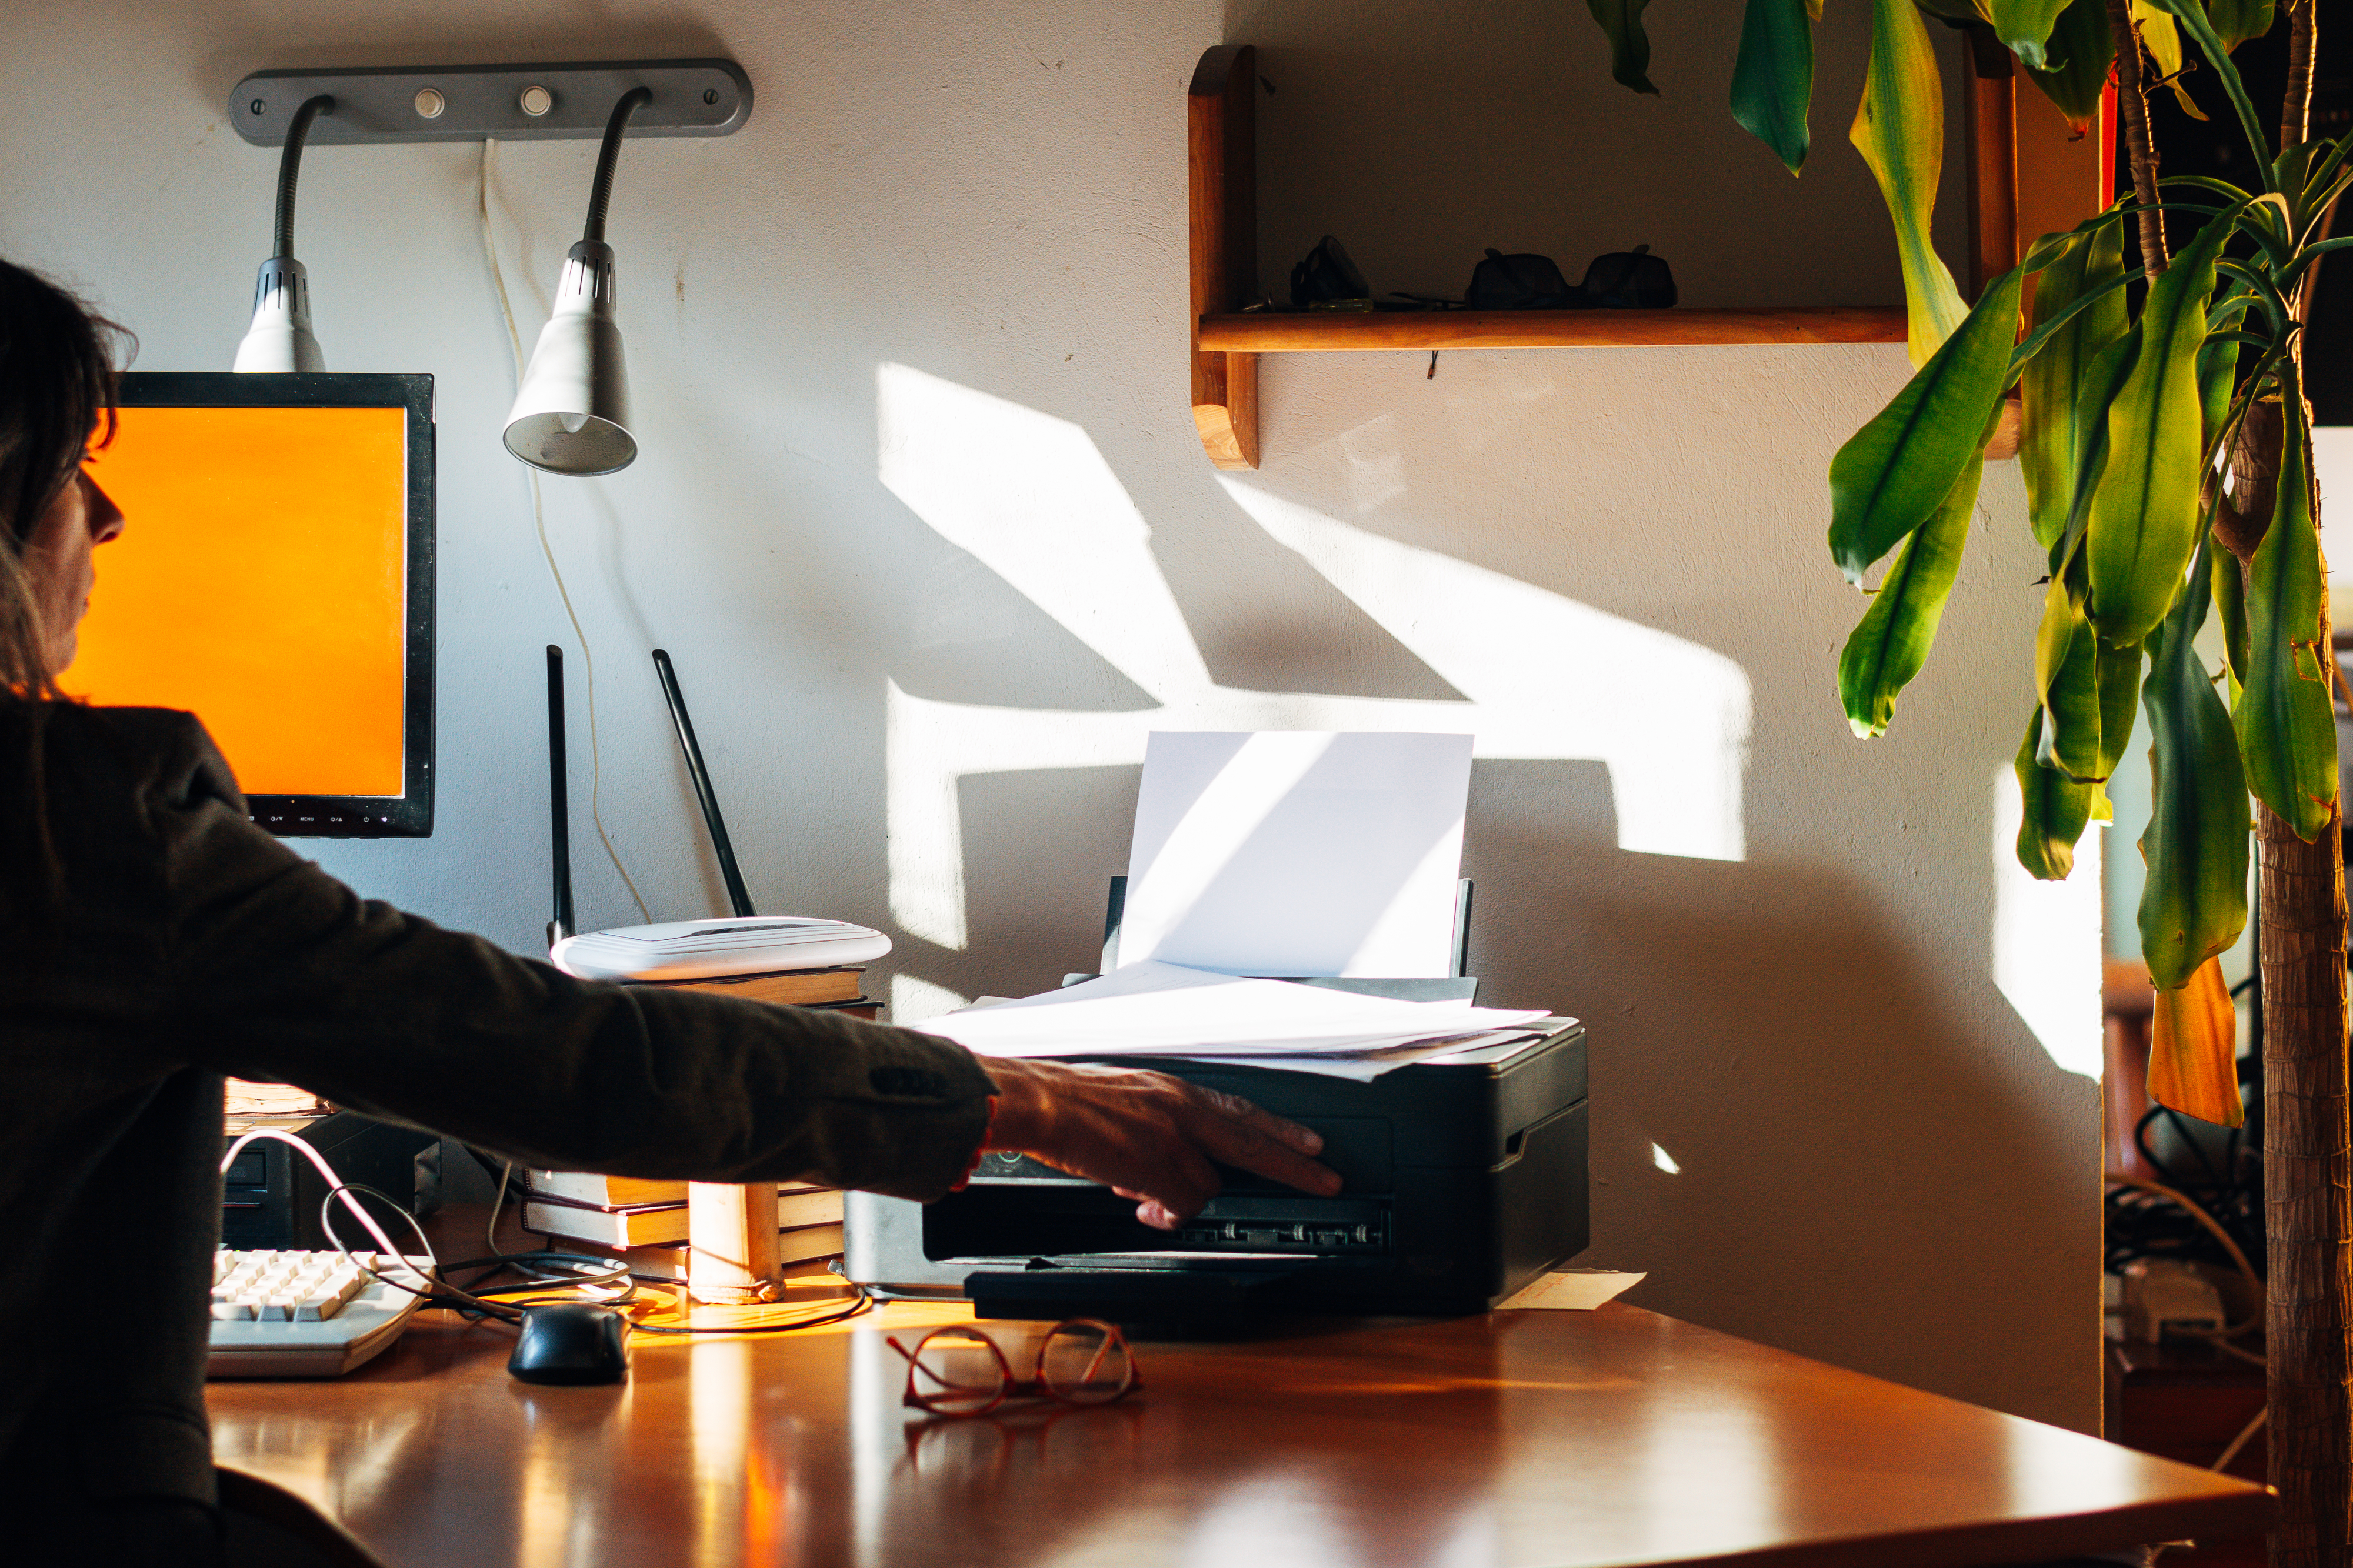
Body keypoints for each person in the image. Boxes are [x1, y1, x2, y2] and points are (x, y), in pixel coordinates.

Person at [0, 258, 1339, 1563]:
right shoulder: (84, 825)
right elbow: (563, 1060)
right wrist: (1033, 1099)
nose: (105, 521)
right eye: (71, 475)